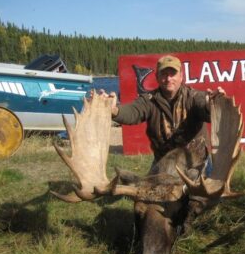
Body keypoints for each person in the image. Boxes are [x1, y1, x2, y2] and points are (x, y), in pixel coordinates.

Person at [95, 55, 224, 172]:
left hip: (196, 164)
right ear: (157, 77)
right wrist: (114, 110)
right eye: (164, 74)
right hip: (164, 163)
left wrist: (212, 106)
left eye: (173, 74)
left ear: (181, 76)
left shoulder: (193, 97)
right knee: (146, 190)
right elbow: (133, 112)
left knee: (205, 190)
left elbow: (204, 107)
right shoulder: (149, 100)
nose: (168, 79)